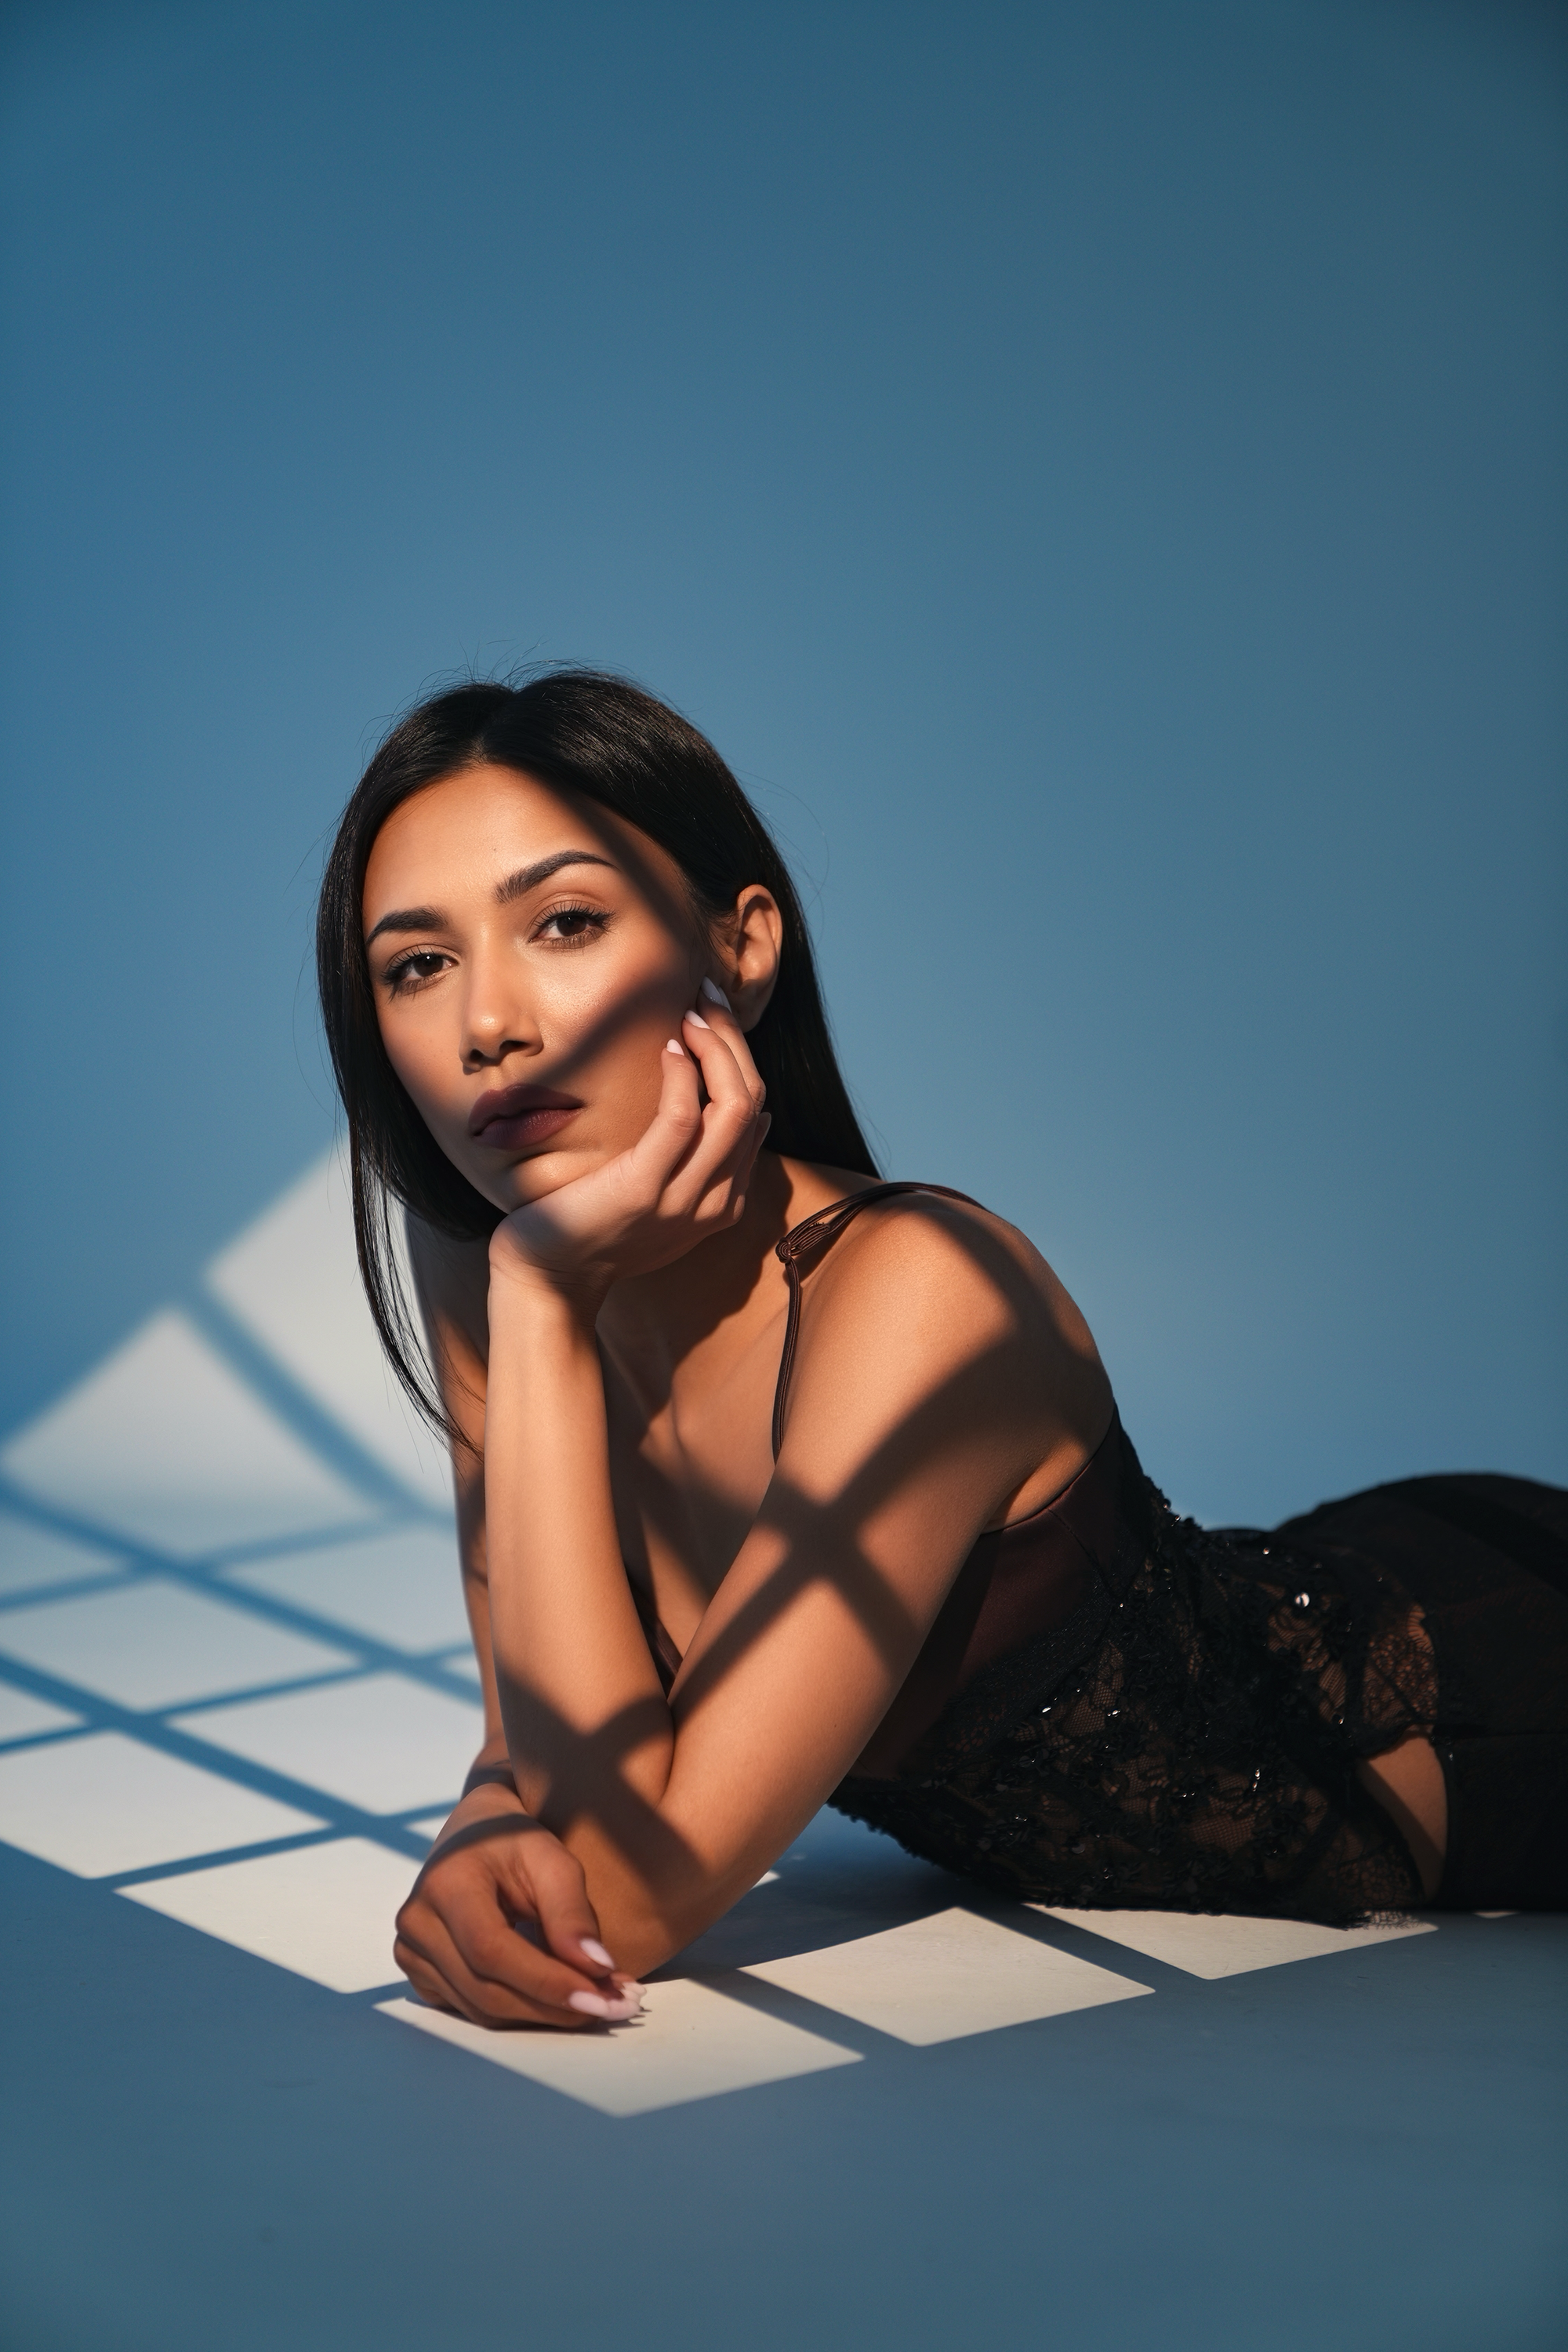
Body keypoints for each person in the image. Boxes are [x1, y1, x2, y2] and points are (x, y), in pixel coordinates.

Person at [315, 670, 1568, 2031]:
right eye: (418, 964)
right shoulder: (500, 1258)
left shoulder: (919, 1294)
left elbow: (627, 1895)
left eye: (564, 922)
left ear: (738, 945)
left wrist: (549, 1310)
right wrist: (483, 1836)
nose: (488, 1025)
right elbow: (534, 1728)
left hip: (1500, 1713)